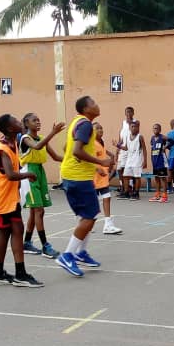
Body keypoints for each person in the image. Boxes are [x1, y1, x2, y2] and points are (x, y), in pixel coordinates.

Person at [55, 96, 113, 277]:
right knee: (89, 217)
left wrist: (92, 165)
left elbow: (69, 148)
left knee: (91, 215)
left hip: (76, 174)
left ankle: (80, 252)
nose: (97, 105)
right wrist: (100, 161)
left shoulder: (77, 122)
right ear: (86, 109)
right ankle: (67, 255)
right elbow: (76, 150)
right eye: (93, 103)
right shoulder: (86, 125)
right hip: (77, 177)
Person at [0, 114, 42, 287]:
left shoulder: (12, 141)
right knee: (10, 230)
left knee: (11, 230)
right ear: (9, 128)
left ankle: (1, 273)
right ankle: (17, 274)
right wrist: (28, 174)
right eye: (16, 122)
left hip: (8, 197)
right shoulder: (2, 148)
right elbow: (10, 174)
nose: (20, 123)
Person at [20, 113, 65, 258]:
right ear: (26, 124)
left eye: (39, 120)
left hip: (40, 171)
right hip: (29, 172)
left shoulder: (41, 138)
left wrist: (73, 159)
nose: (38, 122)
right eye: (34, 120)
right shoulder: (26, 138)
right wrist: (53, 133)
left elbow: (56, 157)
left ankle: (26, 242)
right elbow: (37, 147)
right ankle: (45, 246)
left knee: (36, 211)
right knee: (38, 210)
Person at [93, 122, 122, 234]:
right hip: (94, 177)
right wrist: (97, 168)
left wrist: (110, 162)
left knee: (107, 197)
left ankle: (107, 224)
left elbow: (105, 154)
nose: (100, 130)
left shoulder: (101, 142)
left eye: (101, 128)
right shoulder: (91, 144)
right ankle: (86, 221)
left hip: (103, 177)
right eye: (97, 128)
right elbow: (87, 159)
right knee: (93, 202)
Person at [117, 119, 145, 200]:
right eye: (132, 127)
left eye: (135, 127)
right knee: (125, 176)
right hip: (129, 160)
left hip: (137, 160)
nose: (133, 128)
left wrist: (145, 161)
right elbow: (126, 148)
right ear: (129, 128)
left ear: (138, 128)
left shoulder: (140, 137)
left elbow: (144, 149)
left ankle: (136, 193)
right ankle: (126, 192)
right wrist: (118, 146)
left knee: (137, 177)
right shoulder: (127, 137)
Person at [148, 123, 170, 202]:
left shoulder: (163, 137)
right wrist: (152, 160)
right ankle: (157, 194)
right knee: (156, 178)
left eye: (156, 128)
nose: (155, 130)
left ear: (160, 130)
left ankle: (165, 196)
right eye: (154, 128)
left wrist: (165, 147)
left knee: (163, 178)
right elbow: (152, 149)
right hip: (155, 161)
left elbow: (172, 141)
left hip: (161, 161)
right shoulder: (152, 138)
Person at [116, 106, 135, 197]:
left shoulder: (135, 122)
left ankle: (129, 189)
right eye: (127, 112)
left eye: (130, 112)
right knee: (119, 169)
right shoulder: (123, 123)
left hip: (130, 149)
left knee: (127, 170)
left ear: (133, 113)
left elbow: (135, 133)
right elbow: (121, 138)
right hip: (122, 149)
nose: (128, 114)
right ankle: (122, 186)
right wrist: (117, 151)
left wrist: (130, 121)